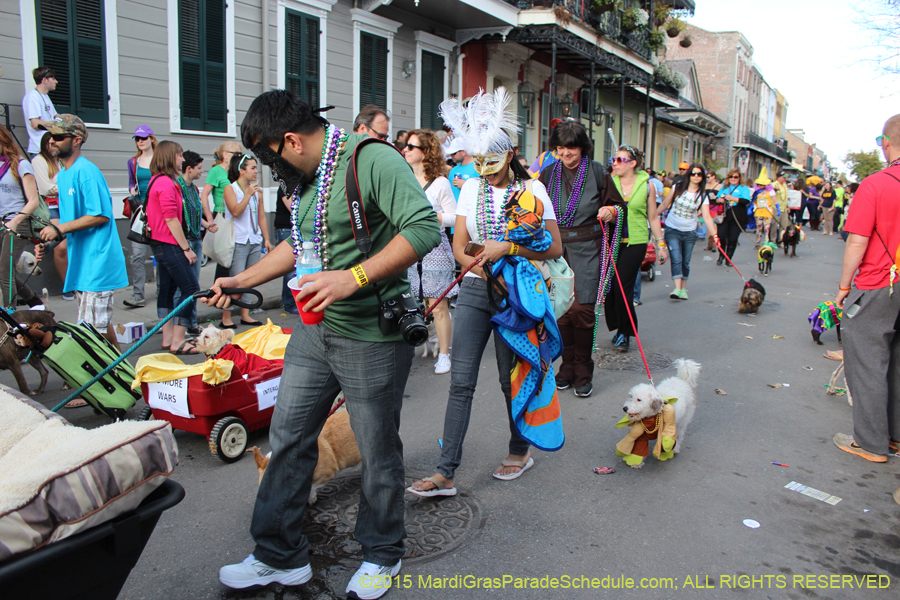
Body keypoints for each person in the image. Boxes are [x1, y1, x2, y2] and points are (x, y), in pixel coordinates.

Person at [211, 90, 440, 598]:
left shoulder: (371, 159)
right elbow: (300, 244)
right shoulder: (311, 176)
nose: (270, 169)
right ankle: (277, 556)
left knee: (378, 449)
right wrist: (240, 279)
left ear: (291, 140)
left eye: (271, 158)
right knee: (289, 439)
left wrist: (351, 278)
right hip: (315, 334)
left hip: (373, 337)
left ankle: (382, 553)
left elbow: (424, 228)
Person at [407, 87, 562, 495]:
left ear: (510, 154)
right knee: (461, 381)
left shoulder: (535, 191)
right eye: (479, 163)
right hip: (476, 290)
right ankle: (446, 472)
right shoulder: (471, 188)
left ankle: (519, 450)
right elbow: (458, 244)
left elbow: (555, 246)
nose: (485, 171)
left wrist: (507, 247)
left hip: (516, 294)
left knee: (510, 376)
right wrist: (470, 259)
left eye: (492, 163)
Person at [832, 114, 900, 464]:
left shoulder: (876, 184)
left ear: (885, 143)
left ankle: (871, 442)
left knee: (869, 362)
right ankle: (894, 436)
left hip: (881, 283)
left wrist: (845, 286)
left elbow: (857, 241)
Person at [539, 121, 623, 397]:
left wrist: (610, 211)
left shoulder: (598, 172)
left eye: (571, 148)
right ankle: (566, 367)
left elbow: (617, 205)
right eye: (560, 148)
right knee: (560, 310)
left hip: (589, 247)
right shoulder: (547, 173)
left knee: (583, 310)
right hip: (555, 248)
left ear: (583, 147)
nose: (565, 153)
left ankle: (583, 370)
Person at [36, 115, 129, 351]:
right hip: (82, 265)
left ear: (76, 140)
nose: (51, 142)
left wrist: (59, 228)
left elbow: (100, 215)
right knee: (100, 329)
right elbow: (70, 222)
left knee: (90, 336)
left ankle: (104, 380)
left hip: (97, 263)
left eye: (58, 137)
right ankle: (123, 374)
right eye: (50, 137)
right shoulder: (65, 173)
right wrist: (50, 239)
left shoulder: (86, 171)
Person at [403, 129, 458, 374]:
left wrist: (430, 217)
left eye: (411, 147)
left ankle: (444, 354)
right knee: (416, 303)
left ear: (426, 152)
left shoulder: (440, 183)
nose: (405, 150)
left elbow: (454, 217)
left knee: (438, 306)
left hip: (436, 249)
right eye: (406, 146)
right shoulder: (403, 178)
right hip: (409, 248)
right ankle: (426, 339)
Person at [605, 145, 666, 352]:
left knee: (623, 287)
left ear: (632, 164)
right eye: (614, 158)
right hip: (611, 241)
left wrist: (660, 245)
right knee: (611, 289)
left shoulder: (647, 185)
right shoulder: (608, 183)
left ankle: (625, 333)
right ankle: (619, 328)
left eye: (620, 160)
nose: (615, 162)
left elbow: (653, 217)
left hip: (636, 242)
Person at [143, 141, 201, 354]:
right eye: (179, 156)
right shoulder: (167, 183)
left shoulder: (155, 180)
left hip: (159, 244)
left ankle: (168, 338)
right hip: (169, 243)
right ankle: (178, 341)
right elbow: (171, 220)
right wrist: (186, 248)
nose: (182, 159)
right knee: (191, 289)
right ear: (170, 157)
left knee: (166, 291)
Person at [221, 153, 272, 328]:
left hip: (254, 239)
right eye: (252, 168)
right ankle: (226, 317)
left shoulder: (257, 191)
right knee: (235, 280)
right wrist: (248, 195)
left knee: (251, 278)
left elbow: (262, 217)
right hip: (238, 241)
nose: (256, 171)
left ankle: (245, 314)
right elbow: (235, 211)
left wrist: (266, 238)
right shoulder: (231, 188)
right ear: (241, 171)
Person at [0, 124, 44, 308]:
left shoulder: (21, 164)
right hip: (2, 222)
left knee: (5, 272)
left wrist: (16, 220)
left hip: (18, 222)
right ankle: (35, 302)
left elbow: (33, 200)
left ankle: (9, 318)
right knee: (2, 271)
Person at [657, 163, 717, 300]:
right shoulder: (677, 188)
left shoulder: (702, 195)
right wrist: (653, 216)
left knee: (685, 261)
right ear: (689, 175)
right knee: (676, 258)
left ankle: (683, 288)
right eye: (693, 173)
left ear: (702, 177)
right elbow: (665, 204)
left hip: (690, 231)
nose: (696, 176)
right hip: (672, 228)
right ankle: (677, 288)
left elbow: (707, 217)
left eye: (699, 174)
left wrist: (714, 234)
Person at [173, 150, 214, 334]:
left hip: (197, 239)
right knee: (184, 287)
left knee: (194, 285)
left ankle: (191, 322)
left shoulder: (194, 189)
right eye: (198, 168)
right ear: (188, 169)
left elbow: (196, 213)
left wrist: (208, 225)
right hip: (185, 242)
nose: (201, 172)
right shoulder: (177, 187)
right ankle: (180, 324)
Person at [202, 141, 242, 323]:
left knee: (234, 261)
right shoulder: (216, 171)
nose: (238, 157)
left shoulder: (235, 171)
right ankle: (222, 305)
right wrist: (210, 219)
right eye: (235, 153)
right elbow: (204, 195)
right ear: (224, 154)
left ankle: (235, 307)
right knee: (224, 261)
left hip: (236, 218)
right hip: (223, 217)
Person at [32, 131, 71, 298]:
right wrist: (62, 187)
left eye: (56, 142)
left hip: (67, 205)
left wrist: (59, 187)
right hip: (50, 207)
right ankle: (68, 287)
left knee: (74, 243)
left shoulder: (63, 161)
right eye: (49, 142)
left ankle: (77, 283)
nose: (53, 145)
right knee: (60, 245)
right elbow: (45, 188)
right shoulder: (38, 160)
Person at [124, 125, 156, 308]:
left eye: (143, 138)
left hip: (157, 210)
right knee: (137, 255)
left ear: (151, 138)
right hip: (140, 211)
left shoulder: (159, 160)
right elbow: (130, 181)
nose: (140, 141)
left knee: (159, 254)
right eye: (137, 138)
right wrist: (131, 189)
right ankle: (138, 295)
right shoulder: (133, 162)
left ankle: (163, 290)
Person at [714, 169, 751, 265]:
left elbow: (746, 201)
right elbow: (717, 198)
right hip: (725, 215)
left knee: (732, 238)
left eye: (736, 177)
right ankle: (721, 255)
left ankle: (728, 258)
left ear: (739, 178)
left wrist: (733, 198)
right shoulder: (724, 187)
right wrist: (720, 200)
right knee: (721, 236)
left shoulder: (743, 188)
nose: (733, 179)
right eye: (731, 177)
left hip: (738, 215)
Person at [22, 67, 58, 159]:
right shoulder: (32, 97)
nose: (56, 81)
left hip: (51, 147)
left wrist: (69, 120)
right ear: (44, 80)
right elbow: (35, 123)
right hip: (40, 149)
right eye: (53, 79)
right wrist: (56, 125)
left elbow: (55, 116)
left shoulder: (45, 96)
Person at [272, 185, 298, 314]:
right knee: (289, 268)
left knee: (295, 269)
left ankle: (293, 302)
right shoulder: (285, 187)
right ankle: (289, 303)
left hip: (292, 229)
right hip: (286, 230)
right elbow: (293, 209)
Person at [751, 168, 776, 246]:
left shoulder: (771, 192)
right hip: (758, 212)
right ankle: (758, 242)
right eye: (759, 184)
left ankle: (766, 242)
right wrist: (754, 206)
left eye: (762, 184)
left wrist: (777, 209)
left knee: (767, 229)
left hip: (768, 212)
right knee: (758, 228)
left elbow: (775, 201)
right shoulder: (756, 192)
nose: (761, 186)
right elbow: (753, 200)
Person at [705, 171, 723, 251]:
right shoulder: (706, 186)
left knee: (715, 225)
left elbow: (723, 196)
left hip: (716, 206)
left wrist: (716, 197)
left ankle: (715, 244)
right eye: (707, 177)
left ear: (714, 177)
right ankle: (709, 244)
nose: (708, 179)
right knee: (708, 225)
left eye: (709, 177)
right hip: (707, 206)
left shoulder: (719, 186)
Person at [770, 173, 790, 245]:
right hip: (776, 207)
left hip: (784, 208)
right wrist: (774, 190)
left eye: (785, 177)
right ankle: (773, 240)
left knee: (784, 225)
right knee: (774, 225)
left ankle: (782, 240)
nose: (784, 179)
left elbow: (786, 196)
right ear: (778, 177)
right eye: (783, 177)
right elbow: (771, 193)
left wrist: (787, 206)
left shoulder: (785, 185)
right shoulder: (774, 184)